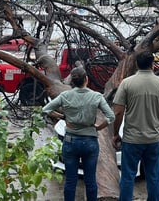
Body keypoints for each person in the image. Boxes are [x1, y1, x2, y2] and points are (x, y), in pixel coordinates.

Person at [112, 51, 159, 201]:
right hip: (154, 140)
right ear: (152, 65)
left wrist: (115, 134)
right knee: (153, 178)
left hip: (131, 140)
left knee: (128, 177)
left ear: (136, 64)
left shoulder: (127, 83)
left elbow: (118, 113)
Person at [42, 67, 115, 201]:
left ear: (73, 82)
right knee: (91, 180)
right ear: (86, 79)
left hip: (70, 141)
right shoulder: (96, 96)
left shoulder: (65, 96)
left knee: (70, 181)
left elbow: (45, 110)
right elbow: (111, 117)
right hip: (90, 141)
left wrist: (62, 116)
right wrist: (99, 127)